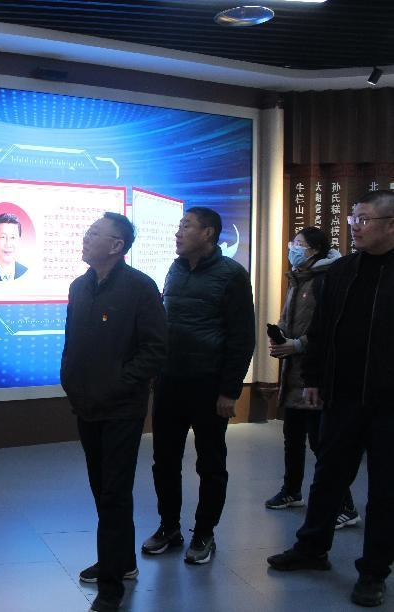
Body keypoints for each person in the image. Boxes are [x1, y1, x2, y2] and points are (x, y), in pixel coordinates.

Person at [267, 190, 394, 608]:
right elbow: (321, 330)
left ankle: (373, 571)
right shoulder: (342, 271)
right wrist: (314, 379)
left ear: (391, 225)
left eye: (365, 220)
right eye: (354, 218)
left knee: (385, 489)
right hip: (342, 395)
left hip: (388, 404)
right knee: (328, 476)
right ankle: (311, 547)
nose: (355, 226)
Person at [60, 213, 167, 612]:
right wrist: (70, 378)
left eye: (94, 233)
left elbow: (155, 350)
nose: (85, 238)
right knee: (101, 487)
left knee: (114, 492)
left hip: (122, 407)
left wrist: (119, 384)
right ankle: (120, 560)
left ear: (117, 246)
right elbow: (73, 342)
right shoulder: (79, 286)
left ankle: (111, 587)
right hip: (86, 405)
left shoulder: (140, 287)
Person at [142, 206, 255, 565]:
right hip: (170, 381)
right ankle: (169, 527)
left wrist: (230, 390)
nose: (178, 232)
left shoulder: (232, 275)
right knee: (164, 460)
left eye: (186, 226)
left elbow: (242, 337)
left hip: (208, 384)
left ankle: (204, 533)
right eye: (179, 226)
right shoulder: (175, 269)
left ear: (208, 233)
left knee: (210, 463)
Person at [264, 227, 361, 528]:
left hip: (315, 375)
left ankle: (345, 505)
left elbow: (326, 329)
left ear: (315, 250)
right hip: (293, 372)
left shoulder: (325, 279)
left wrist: (297, 345)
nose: (292, 248)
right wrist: (281, 338)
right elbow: (288, 319)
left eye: (299, 244)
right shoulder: (298, 278)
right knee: (292, 438)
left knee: (322, 444)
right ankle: (291, 491)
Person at [0, 212, 28, 281]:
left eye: (13, 237)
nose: (8, 244)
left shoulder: (25, 272)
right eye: (3, 237)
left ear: (19, 241)